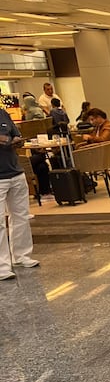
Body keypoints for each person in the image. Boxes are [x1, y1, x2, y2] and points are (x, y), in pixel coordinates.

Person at [0, 108, 39, 281]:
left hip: (15, 172)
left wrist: (11, 140)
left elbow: (17, 137)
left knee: (21, 216)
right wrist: (7, 140)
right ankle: (2, 266)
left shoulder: (3, 113)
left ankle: (21, 256)